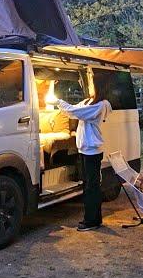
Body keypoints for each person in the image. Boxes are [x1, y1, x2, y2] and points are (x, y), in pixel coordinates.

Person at [47, 88, 112, 231]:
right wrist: (60, 104)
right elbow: (73, 110)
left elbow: (77, 112)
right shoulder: (88, 101)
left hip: (92, 150)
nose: (89, 85)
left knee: (91, 187)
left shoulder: (101, 104)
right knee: (88, 185)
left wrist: (58, 101)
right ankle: (95, 218)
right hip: (85, 149)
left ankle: (91, 221)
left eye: (92, 81)